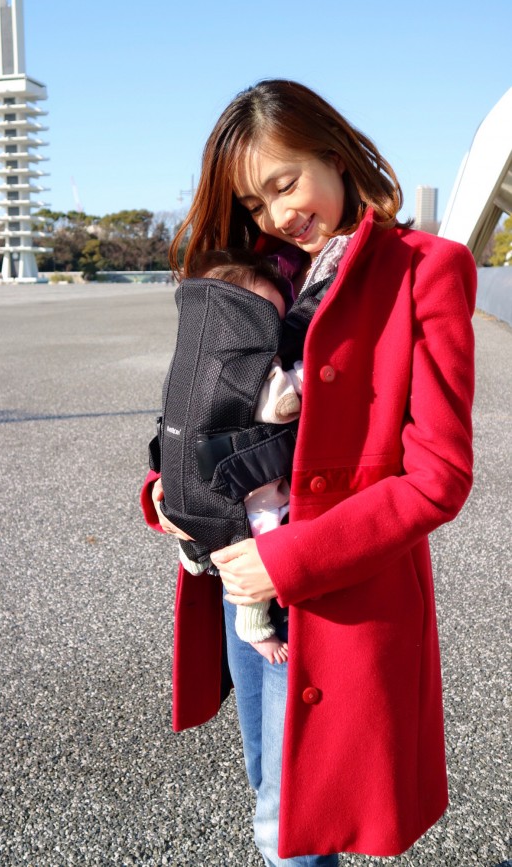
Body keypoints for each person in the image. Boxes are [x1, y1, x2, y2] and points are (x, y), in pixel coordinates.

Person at [140, 79, 476, 865]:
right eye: (256, 205)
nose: (277, 215)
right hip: (240, 579)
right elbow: (201, 402)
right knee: (274, 795)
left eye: (284, 184)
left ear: (333, 151)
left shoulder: (426, 269)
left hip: (338, 589)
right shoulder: (248, 279)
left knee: (292, 823)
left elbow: (439, 476)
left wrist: (285, 560)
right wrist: (170, 486)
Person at [165, 249, 306, 666]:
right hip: (250, 496)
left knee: (214, 540)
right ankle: (255, 626)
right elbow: (281, 405)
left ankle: (194, 555)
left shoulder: (199, 361)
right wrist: (303, 373)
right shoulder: (246, 375)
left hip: (201, 488)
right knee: (258, 544)